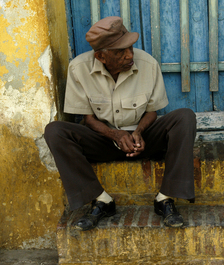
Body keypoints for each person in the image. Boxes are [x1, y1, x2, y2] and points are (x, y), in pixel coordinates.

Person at [44, 16, 196, 230]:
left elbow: (152, 112)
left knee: (185, 117)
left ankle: (165, 198)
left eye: (131, 48)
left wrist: (139, 131)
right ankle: (101, 200)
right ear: (101, 56)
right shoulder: (79, 68)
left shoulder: (148, 64)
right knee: (55, 131)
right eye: (120, 52)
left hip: (142, 139)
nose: (129, 55)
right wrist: (115, 135)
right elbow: (88, 119)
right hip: (103, 140)